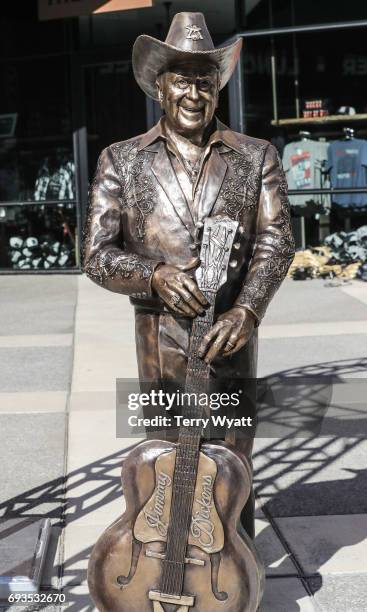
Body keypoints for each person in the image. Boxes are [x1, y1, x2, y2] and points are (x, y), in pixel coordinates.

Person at [83, 12, 295, 539]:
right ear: (160, 88)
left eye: (206, 82)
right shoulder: (121, 159)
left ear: (218, 89)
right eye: (182, 81)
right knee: (164, 464)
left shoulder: (255, 156)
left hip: (231, 338)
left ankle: (238, 576)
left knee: (233, 467)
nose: (194, 94)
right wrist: (151, 274)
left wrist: (248, 308)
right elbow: (96, 254)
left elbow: (278, 241)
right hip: (159, 345)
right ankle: (169, 575)